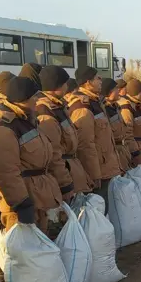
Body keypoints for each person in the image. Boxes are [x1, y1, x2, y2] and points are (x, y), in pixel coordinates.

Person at [0, 77, 66, 237]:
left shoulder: (27, 119)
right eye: (35, 96)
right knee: (24, 249)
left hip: (38, 197)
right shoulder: (4, 127)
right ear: (23, 98)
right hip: (22, 202)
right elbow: (6, 172)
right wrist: (21, 204)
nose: (38, 100)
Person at [66, 66, 121, 212]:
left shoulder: (96, 102)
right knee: (97, 213)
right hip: (96, 171)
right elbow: (85, 145)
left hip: (104, 165)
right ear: (87, 82)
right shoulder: (82, 107)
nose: (101, 81)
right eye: (97, 78)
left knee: (104, 210)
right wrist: (94, 174)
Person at [36, 65, 93, 196]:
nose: (67, 86)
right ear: (58, 86)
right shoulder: (45, 111)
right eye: (65, 83)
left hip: (71, 169)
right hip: (63, 175)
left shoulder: (57, 106)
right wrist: (65, 184)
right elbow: (54, 154)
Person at [118, 79, 141, 167]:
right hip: (137, 151)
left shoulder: (137, 106)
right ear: (137, 93)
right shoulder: (127, 108)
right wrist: (135, 151)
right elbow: (127, 133)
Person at [100, 77, 133, 172]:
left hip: (123, 150)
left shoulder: (116, 107)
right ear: (109, 92)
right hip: (114, 153)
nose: (118, 91)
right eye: (116, 89)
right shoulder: (104, 109)